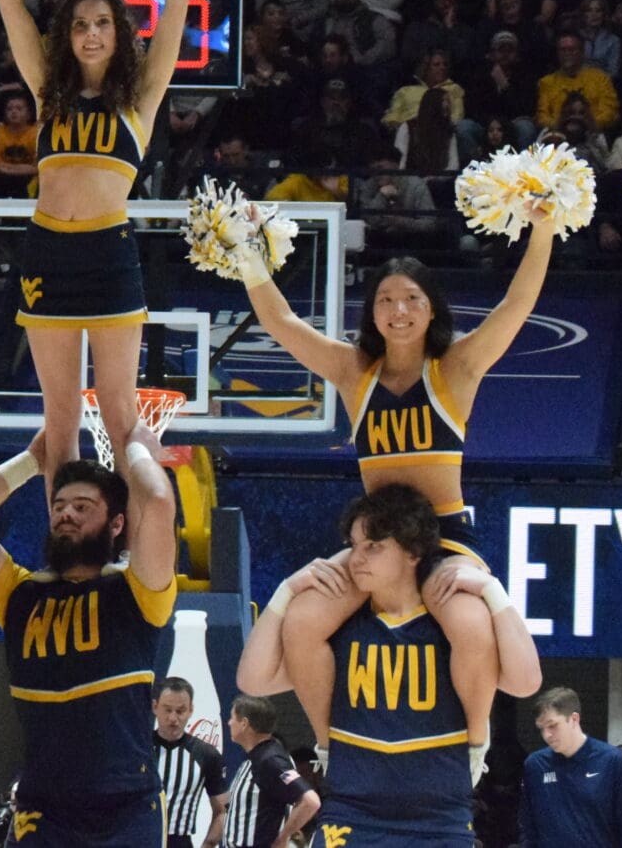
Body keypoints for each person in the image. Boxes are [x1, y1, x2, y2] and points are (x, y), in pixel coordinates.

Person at [232, 219, 553, 774]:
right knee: (304, 622)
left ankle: (474, 748)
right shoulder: (354, 371)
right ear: (372, 313)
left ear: (432, 310)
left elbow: (516, 305)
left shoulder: (455, 369)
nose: (397, 309)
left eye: (411, 298)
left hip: (444, 537)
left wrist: (544, 229)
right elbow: (280, 321)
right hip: (376, 544)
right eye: (385, 298)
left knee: (471, 627)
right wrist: (244, 255)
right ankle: (331, 747)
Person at [237, 485, 542, 848]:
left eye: (374, 546)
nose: (356, 559)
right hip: (351, 816)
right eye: (353, 546)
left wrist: (492, 591)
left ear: (413, 551)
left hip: (439, 822)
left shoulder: (451, 625)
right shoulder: (340, 628)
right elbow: (252, 679)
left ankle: (476, 746)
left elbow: (526, 682)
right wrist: (285, 590)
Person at [0, 0, 190, 467]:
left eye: (102, 22)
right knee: (59, 421)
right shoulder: (47, 93)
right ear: (66, 36)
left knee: (119, 413)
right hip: (47, 252)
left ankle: (136, 536)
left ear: (119, 31)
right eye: (79, 24)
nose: (91, 33)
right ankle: (65, 551)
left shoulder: (140, 97)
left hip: (108, 252)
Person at [0, 419, 178, 846]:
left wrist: (139, 450)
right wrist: (29, 462)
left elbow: (157, 503)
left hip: (127, 808)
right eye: (59, 505)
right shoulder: (19, 596)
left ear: (116, 524)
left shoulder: (136, 592)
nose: (66, 513)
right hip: (44, 808)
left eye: (83, 507)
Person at [521, 688, 622, 848]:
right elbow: (527, 828)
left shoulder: (613, 761)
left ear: (574, 719)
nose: (546, 735)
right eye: (541, 728)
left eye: (552, 726)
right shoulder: (535, 765)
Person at [219, 695, 318, 848]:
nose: (229, 722)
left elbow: (310, 801)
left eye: (232, 717)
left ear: (244, 723)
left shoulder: (270, 761)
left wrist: (283, 838)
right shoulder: (258, 756)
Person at [153, 677, 228, 848]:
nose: (173, 718)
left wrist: (208, 844)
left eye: (180, 711)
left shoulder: (206, 754)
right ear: (155, 707)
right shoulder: (140, 749)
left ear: (191, 710)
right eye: (167, 710)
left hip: (179, 841)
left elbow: (223, 810)